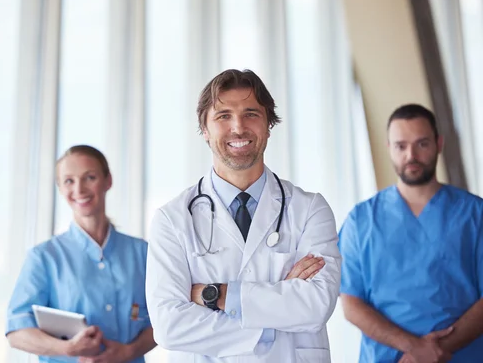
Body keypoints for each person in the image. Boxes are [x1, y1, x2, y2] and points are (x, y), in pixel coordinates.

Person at [146, 69, 342, 362]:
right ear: (204, 129)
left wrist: (216, 295)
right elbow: (168, 326)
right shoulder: (173, 219)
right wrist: (273, 319)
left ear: (268, 125)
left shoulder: (310, 209)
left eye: (251, 113)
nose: (238, 127)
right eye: (223, 116)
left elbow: (317, 305)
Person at [338, 104, 483, 363]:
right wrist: (414, 348)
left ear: (439, 143)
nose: (411, 155)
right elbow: (351, 302)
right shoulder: (361, 220)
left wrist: (437, 350)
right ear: (389, 148)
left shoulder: (475, 214)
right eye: (401, 146)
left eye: (422, 144)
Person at [6, 145, 156, 363]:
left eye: (90, 177)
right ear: (60, 188)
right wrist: (67, 348)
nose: (79, 189)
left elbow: (166, 319)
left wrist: (128, 352)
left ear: (108, 181)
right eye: (69, 181)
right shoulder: (43, 258)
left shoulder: (143, 253)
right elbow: (17, 331)